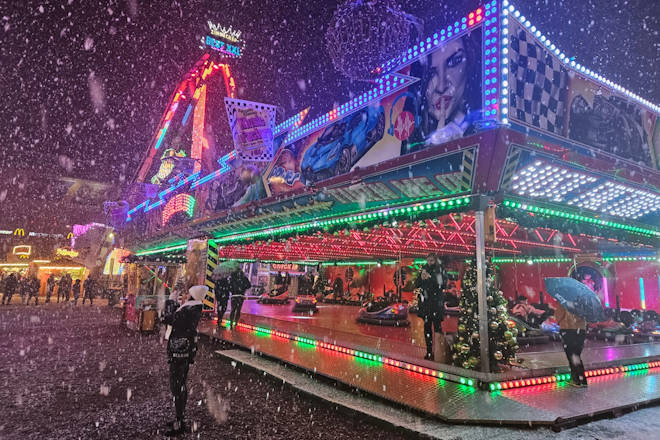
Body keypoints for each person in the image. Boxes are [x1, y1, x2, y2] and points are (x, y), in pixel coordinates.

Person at [400, 30, 482, 155]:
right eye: (431, 72)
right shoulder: (411, 141)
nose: (441, 86)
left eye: (454, 62)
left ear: (470, 64)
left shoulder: (480, 123)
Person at [162, 284, 206, 436]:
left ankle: (180, 421)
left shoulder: (189, 309)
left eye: (188, 293)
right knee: (179, 382)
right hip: (185, 349)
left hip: (180, 349)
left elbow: (168, 319)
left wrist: (170, 302)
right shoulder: (194, 307)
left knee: (177, 384)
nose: (185, 295)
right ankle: (179, 417)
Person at [414, 253, 448, 361]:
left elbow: (442, 284)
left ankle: (439, 351)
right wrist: (421, 278)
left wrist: (430, 278)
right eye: (428, 261)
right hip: (426, 304)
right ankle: (429, 351)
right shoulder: (423, 270)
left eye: (432, 261)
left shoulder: (440, 270)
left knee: (437, 327)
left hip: (436, 303)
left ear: (435, 261)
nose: (429, 263)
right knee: (427, 328)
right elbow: (416, 284)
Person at [555, 302, 588, 387]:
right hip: (581, 330)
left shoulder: (564, 301)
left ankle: (576, 380)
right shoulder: (584, 303)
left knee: (571, 356)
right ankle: (582, 380)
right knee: (576, 355)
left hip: (568, 329)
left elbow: (558, 316)